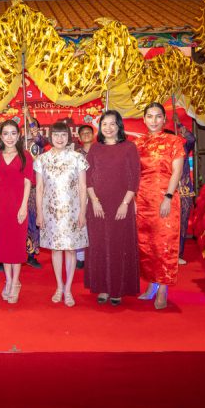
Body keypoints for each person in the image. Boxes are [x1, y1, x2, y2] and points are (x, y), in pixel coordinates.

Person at [85, 111, 141, 305]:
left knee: (118, 246)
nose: (108, 128)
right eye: (104, 124)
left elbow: (134, 179)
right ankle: (102, 287)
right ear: (99, 127)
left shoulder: (129, 147)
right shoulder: (94, 149)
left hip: (120, 204)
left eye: (112, 124)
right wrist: (94, 200)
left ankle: (116, 289)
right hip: (97, 205)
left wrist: (125, 203)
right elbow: (88, 177)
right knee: (99, 246)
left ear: (119, 126)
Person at [135, 103, 185, 310]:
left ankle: (163, 288)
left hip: (166, 197)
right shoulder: (137, 144)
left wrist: (168, 196)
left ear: (164, 119)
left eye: (158, 117)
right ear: (144, 119)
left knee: (165, 243)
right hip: (142, 198)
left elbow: (177, 172)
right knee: (146, 244)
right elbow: (133, 173)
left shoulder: (174, 141)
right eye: (150, 116)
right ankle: (152, 284)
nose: (154, 120)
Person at [34, 122, 88, 307]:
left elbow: (82, 187)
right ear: (50, 137)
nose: (59, 138)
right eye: (56, 135)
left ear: (68, 137)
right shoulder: (42, 159)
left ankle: (68, 289)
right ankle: (59, 286)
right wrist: (40, 213)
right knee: (56, 249)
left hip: (73, 212)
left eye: (63, 135)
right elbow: (39, 188)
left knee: (71, 249)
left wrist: (83, 212)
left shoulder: (77, 158)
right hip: (51, 212)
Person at [0, 120, 35, 304]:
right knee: (3, 245)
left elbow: (27, 183)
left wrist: (23, 205)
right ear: (1, 136)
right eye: (6, 133)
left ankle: (16, 282)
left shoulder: (25, 156)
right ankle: (8, 281)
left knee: (16, 245)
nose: (9, 137)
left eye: (13, 133)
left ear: (18, 135)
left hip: (18, 206)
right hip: (0, 206)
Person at [24, 105, 47, 269]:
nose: (31, 131)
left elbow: (36, 135)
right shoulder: (18, 144)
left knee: (33, 223)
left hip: (34, 189)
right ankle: (9, 257)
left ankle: (31, 254)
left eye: (33, 127)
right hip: (18, 188)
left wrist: (29, 116)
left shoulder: (40, 143)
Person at [174, 117, 196, 266]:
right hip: (166, 192)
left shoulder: (183, 149)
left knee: (182, 225)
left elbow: (192, 139)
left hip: (185, 191)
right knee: (168, 225)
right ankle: (166, 254)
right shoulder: (161, 154)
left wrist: (180, 125)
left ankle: (178, 254)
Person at [74, 124, 96, 269]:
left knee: (96, 225)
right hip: (80, 193)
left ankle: (95, 256)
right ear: (79, 137)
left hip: (97, 193)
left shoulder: (100, 151)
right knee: (80, 224)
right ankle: (80, 258)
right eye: (84, 133)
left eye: (89, 132)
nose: (87, 135)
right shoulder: (75, 154)